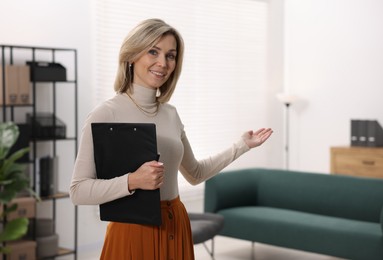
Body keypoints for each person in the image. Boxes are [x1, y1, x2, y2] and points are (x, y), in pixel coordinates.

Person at [70, 18, 273, 260]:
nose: (162, 63)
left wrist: (241, 146)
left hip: (175, 224)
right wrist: (132, 181)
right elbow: (78, 190)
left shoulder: (171, 114)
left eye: (171, 55)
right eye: (153, 51)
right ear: (132, 55)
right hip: (132, 232)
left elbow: (195, 173)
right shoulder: (106, 113)